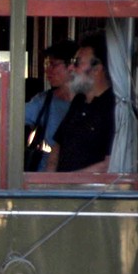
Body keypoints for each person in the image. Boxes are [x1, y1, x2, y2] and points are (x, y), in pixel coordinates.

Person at [47, 39, 115, 174]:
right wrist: (49, 182)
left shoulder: (115, 108)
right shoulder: (79, 101)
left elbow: (109, 164)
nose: (71, 68)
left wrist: (68, 183)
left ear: (97, 69)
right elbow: (57, 146)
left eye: (77, 63)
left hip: (91, 193)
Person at [24, 40, 76, 172]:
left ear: (71, 66)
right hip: (45, 173)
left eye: (53, 65)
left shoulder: (90, 103)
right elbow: (12, 117)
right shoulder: (44, 101)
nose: (47, 70)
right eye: (46, 64)